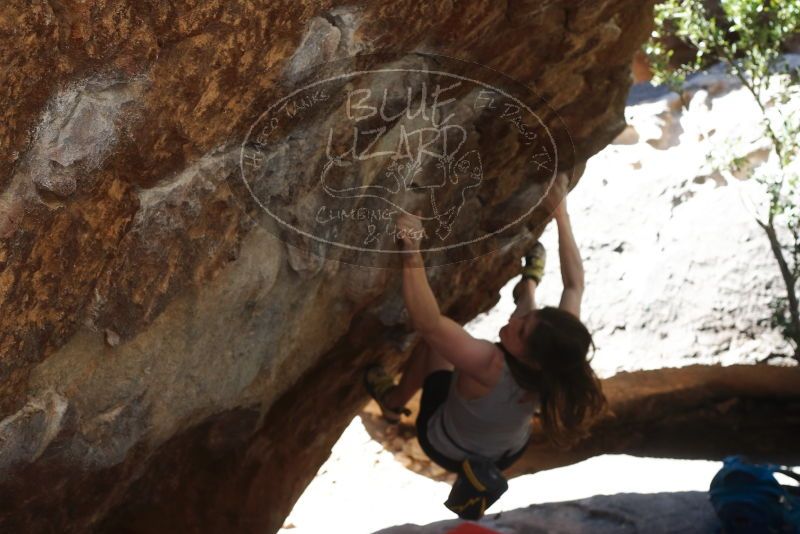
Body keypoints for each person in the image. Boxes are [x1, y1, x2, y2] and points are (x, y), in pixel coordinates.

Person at [364, 195, 607, 483]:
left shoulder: (489, 365)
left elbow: (428, 324)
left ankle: (393, 402)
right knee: (528, 325)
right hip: (505, 452)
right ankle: (528, 285)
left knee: (439, 344)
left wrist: (412, 251)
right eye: (526, 318)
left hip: (446, 446)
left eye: (519, 331)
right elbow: (574, 285)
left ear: (534, 360)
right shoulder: (561, 361)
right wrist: (561, 213)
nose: (513, 322)